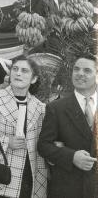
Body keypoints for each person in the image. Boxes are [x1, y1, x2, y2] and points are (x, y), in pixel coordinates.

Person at [0, 55, 48, 198]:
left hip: (27, 180)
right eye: (15, 69)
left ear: (34, 79)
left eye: (25, 71)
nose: (18, 73)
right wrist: (7, 142)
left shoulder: (41, 108)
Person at [38, 54, 97, 198]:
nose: (80, 74)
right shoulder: (56, 108)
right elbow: (43, 145)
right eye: (76, 69)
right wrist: (72, 156)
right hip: (68, 188)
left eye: (87, 70)